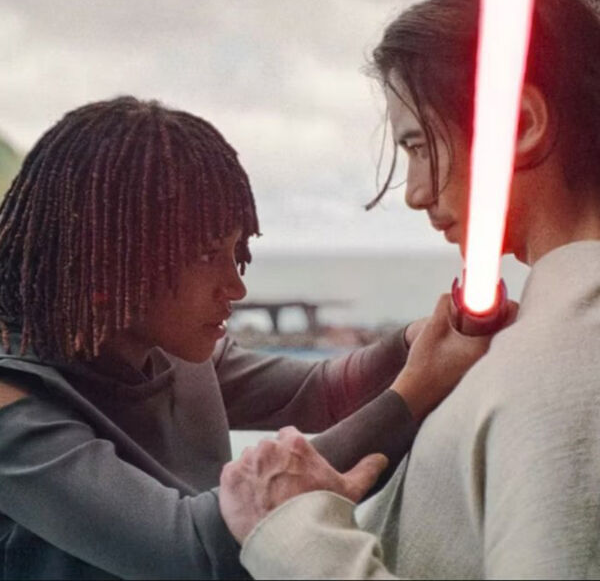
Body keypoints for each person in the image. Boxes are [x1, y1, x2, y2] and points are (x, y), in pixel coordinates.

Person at [0, 96, 494, 579]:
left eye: (235, 251)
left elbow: (322, 391)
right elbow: (188, 547)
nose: (236, 287)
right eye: (206, 256)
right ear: (108, 266)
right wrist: (416, 390)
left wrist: (412, 342)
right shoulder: (14, 411)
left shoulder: (179, 357)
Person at [218, 0, 600, 578]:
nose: (415, 193)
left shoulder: (565, 361)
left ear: (522, 124)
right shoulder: (552, 342)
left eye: (419, 146)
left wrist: (297, 536)